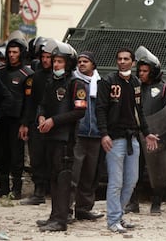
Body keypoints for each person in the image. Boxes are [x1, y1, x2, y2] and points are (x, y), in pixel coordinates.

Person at [96, 47, 159, 233]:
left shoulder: (136, 83)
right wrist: (104, 133)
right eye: (120, 59)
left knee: (131, 180)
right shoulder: (107, 81)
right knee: (116, 181)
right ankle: (113, 220)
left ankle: (119, 215)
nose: (122, 61)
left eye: (126, 59)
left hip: (133, 137)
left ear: (132, 62)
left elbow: (139, 111)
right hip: (114, 138)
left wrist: (146, 133)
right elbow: (100, 109)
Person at [35, 42, 87, 232]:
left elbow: (79, 111)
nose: (55, 65)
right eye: (54, 61)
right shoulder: (51, 82)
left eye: (59, 61)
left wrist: (54, 121)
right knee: (53, 177)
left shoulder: (76, 84)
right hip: (49, 137)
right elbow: (42, 104)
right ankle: (54, 215)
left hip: (65, 139)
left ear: (68, 63)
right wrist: (41, 116)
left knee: (63, 177)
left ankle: (61, 219)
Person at [125, 46, 166, 216]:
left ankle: (156, 204)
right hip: (137, 135)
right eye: (140, 70)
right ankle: (133, 203)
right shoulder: (134, 86)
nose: (142, 73)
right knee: (134, 170)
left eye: (145, 71)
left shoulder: (163, 88)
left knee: (157, 171)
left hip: (156, 135)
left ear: (153, 71)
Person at [0, 36, 33, 200]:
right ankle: (3, 186)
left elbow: (29, 102)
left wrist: (24, 123)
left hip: (17, 120)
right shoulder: (0, 73)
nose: (11, 55)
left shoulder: (27, 74)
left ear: (21, 53)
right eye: (9, 52)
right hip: (0, 119)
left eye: (15, 52)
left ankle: (16, 188)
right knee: (1, 152)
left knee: (16, 154)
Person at [70, 51, 104, 221]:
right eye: (80, 61)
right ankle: (67, 209)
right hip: (78, 135)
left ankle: (84, 208)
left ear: (93, 64)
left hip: (96, 135)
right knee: (73, 174)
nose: (82, 64)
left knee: (89, 176)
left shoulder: (100, 83)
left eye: (86, 61)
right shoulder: (73, 81)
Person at [19, 38, 53, 206]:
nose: (45, 60)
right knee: (36, 157)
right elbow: (30, 103)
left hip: (54, 123)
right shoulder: (35, 77)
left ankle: (51, 190)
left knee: (52, 158)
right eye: (43, 57)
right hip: (36, 123)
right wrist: (25, 124)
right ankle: (39, 191)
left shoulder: (59, 77)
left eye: (48, 57)